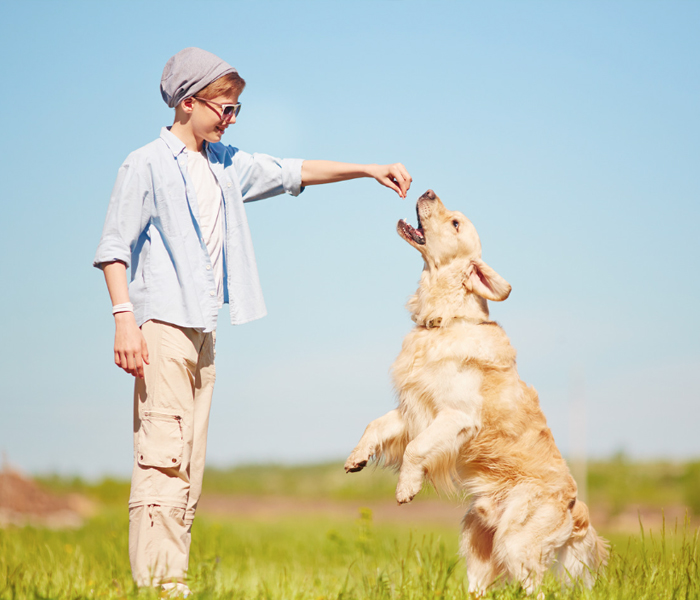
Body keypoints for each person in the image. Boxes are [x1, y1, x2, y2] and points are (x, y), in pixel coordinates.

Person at [93, 47, 411, 596]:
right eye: (225, 108)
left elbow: (294, 171)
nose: (232, 118)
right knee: (162, 459)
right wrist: (125, 319)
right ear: (188, 102)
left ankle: (174, 581)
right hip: (161, 327)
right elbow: (114, 248)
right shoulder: (144, 163)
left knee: (188, 462)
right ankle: (159, 585)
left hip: (203, 331)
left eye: (237, 108)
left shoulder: (225, 165)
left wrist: (367, 169)